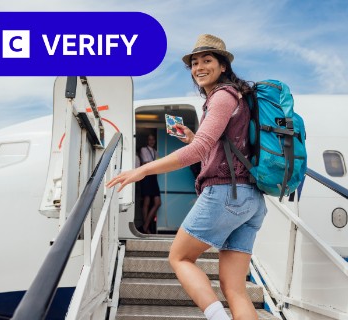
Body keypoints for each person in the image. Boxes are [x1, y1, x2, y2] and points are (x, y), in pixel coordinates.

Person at [107, 34, 267, 320]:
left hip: (226, 195)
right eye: (194, 63)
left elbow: (200, 151)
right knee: (236, 290)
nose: (199, 67)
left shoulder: (222, 96)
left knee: (179, 258)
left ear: (222, 67)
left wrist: (142, 169)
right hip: (252, 199)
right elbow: (219, 149)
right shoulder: (240, 99)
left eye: (207, 60)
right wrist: (194, 138)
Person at [139, 134, 161, 234]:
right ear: (147, 141)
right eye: (149, 139)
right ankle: (146, 229)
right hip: (147, 176)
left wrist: (156, 164)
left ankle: (145, 226)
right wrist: (156, 164)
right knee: (146, 202)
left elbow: (160, 164)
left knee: (157, 203)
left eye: (153, 139)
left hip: (153, 177)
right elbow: (146, 162)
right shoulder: (144, 149)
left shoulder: (155, 152)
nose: (151, 141)